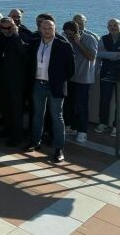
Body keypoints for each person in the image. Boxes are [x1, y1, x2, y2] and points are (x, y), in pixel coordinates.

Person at [25, 20, 75, 163]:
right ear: (40, 29)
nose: (47, 30)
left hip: (55, 86)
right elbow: (29, 62)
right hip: (37, 85)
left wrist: (58, 81)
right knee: (37, 115)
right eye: (44, 28)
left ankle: (59, 148)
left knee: (57, 117)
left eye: (50, 28)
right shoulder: (34, 43)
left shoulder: (64, 45)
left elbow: (71, 69)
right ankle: (35, 142)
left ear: (55, 29)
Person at [0, 18, 27, 147]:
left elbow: (24, 52)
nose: (6, 31)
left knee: (16, 109)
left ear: (14, 26)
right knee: (4, 107)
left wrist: (15, 35)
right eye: (3, 28)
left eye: (9, 28)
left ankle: (17, 136)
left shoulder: (20, 37)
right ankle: (6, 130)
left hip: (15, 80)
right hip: (0, 79)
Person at [63, 20, 97, 143]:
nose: (69, 36)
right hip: (70, 78)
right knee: (68, 104)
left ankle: (82, 132)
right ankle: (71, 127)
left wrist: (78, 43)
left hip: (83, 79)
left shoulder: (89, 39)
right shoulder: (65, 38)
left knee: (81, 106)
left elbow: (92, 57)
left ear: (78, 32)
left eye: (71, 34)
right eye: (67, 33)